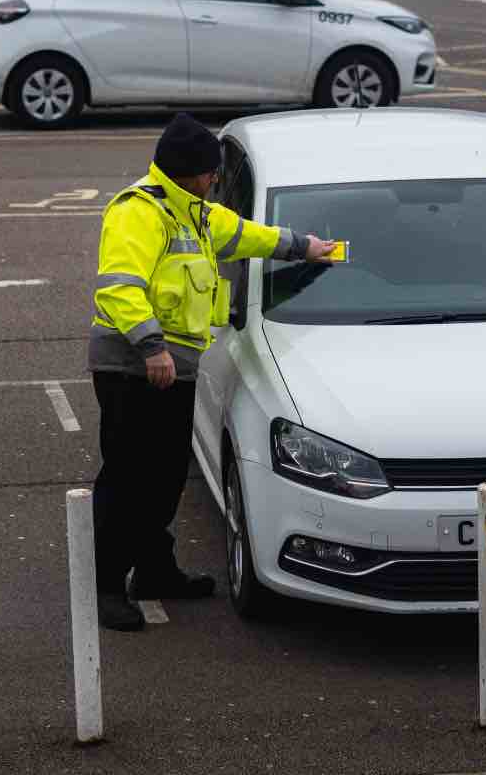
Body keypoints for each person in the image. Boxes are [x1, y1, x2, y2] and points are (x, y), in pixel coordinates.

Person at [88, 113, 336, 631]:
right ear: (185, 172)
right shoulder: (139, 212)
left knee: (164, 477)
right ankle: (108, 586)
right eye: (209, 173)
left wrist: (306, 247)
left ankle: (155, 570)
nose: (216, 181)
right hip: (133, 368)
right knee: (128, 478)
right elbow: (119, 287)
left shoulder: (195, 212)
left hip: (171, 370)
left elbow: (247, 234)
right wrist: (151, 347)